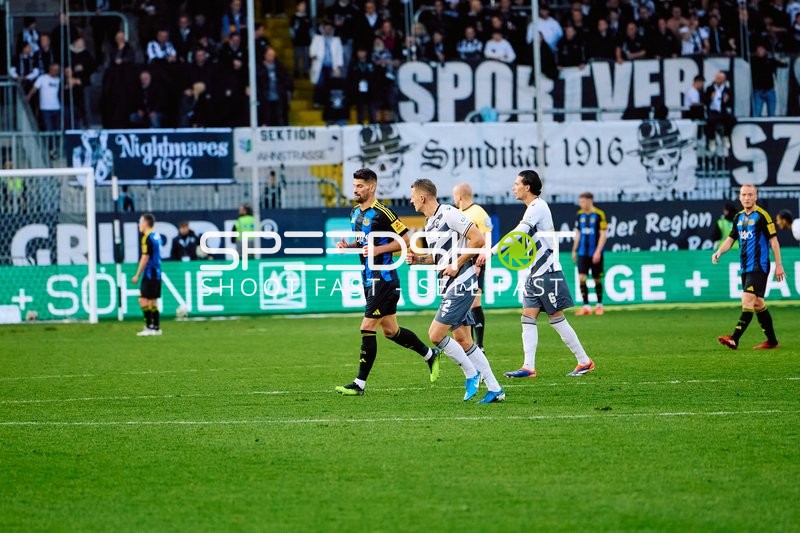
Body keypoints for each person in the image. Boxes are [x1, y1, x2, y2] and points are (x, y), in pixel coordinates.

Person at [477, 170, 595, 378]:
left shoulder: (538, 207)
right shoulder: (532, 208)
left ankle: (584, 361)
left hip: (547, 271)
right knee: (527, 317)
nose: (513, 187)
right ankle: (528, 367)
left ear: (527, 187)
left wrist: (491, 252)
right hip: (535, 273)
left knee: (556, 317)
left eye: (516, 183)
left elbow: (519, 233)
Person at [334, 168, 442, 397]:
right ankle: (430, 355)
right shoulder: (354, 213)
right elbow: (365, 242)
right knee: (391, 331)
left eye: (360, 186)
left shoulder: (383, 212)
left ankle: (359, 384)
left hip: (384, 279)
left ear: (372, 187)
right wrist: (349, 247)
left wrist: (379, 249)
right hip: (367, 277)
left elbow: (405, 242)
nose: (355, 189)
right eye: (354, 185)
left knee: (366, 327)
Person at [408, 179, 505, 404]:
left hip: (462, 282)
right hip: (449, 285)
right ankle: (495, 389)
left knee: (435, 334)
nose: (411, 199)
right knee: (462, 338)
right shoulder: (430, 222)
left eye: (413, 195)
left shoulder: (449, 213)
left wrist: (457, 263)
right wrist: (419, 259)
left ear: (422, 197)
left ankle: (471, 374)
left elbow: (478, 239)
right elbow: (439, 257)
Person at [713, 185, 785, 350]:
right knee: (758, 304)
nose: (747, 198)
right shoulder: (738, 217)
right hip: (745, 267)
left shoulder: (763, 216)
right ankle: (772, 341)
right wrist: (719, 252)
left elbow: (774, 241)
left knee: (747, 299)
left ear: (755, 197)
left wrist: (778, 265)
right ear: (739, 197)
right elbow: (731, 239)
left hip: (759, 266)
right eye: (744, 194)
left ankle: (734, 338)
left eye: (750, 194)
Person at [452, 183, 493, 352]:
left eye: (454, 195)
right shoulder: (459, 214)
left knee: (475, 301)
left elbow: (487, 235)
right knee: (467, 302)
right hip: (463, 261)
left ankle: (480, 345)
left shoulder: (478, 212)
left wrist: (481, 258)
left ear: (459, 196)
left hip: (476, 261)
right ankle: (471, 344)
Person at [572, 192, 607, 316]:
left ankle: (599, 305)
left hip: (595, 253)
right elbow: (578, 234)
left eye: (582, 201)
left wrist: (598, 251)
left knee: (597, 279)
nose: (581, 204)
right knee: (581, 278)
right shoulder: (579, 215)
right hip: (582, 252)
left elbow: (603, 234)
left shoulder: (599, 214)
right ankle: (586, 306)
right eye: (580, 201)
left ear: (589, 201)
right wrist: (574, 250)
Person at [131, 213, 163, 336]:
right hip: (157, 272)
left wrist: (137, 274)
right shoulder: (157, 236)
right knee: (152, 301)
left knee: (143, 300)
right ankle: (156, 327)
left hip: (150, 273)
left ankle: (149, 327)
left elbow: (145, 258)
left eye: (140, 222)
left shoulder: (146, 238)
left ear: (145, 223)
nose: (139, 224)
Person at [309, 21, 343, 108]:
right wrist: (314, 56)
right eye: (326, 29)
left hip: (332, 66)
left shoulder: (336, 40)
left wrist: (339, 65)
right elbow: (312, 50)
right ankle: (317, 102)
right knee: (320, 84)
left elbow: (339, 53)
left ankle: (328, 103)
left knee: (330, 85)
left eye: (329, 29)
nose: (327, 30)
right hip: (320, 65)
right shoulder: (317, 38)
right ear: (323, 29)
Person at [257, 47, 293, 127]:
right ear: (265, 55)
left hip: (278, 98)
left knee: (280, 119)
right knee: (267, 119)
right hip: (265, 98)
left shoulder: (279, 66)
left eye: (273, 55)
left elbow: (286, 79)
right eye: (269, 55)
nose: (271, 57)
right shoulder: (259, 67)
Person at [751, 44, 788, 117]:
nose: (760, 51)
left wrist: (782, 61)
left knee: (771, 114)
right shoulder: (753, 61)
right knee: (756, 114)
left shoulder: (770, 61)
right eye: (758, 49)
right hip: (758, 91)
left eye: (762, 49)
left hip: (770, 90)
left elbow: (783, 65)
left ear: (765, 50)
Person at [26, 63, 62, 132]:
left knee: (57, 129)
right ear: (50, 70)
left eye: (57, 70)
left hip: (57, 107)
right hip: (45, 108)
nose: (56, 72)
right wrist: (28, 96)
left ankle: (56, 142)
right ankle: (49, 143)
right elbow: (34, 88)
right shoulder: (42, 78)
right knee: (49, 129)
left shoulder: (59, 80)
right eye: (54, 70)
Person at [290, 2, 313, 78]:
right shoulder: (294, 17)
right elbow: (291, 30)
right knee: (297, 57)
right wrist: (293, 38)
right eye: (301, 6)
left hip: (306, 40)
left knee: (306, 57)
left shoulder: (307, 17)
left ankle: (305, 72)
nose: (303, 7)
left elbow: (311, 29)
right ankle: (296, 71)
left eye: (304, 6)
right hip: (297, 41)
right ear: (297, 7)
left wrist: (311, 38)